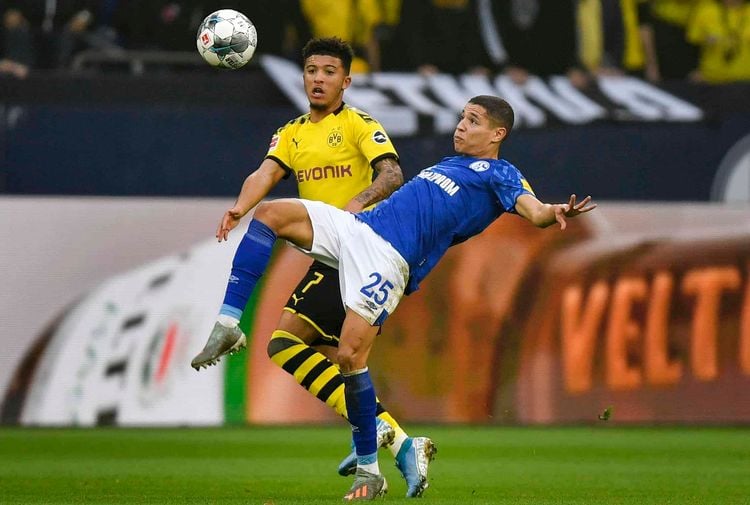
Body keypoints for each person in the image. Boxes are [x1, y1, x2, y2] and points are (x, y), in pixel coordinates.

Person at [196, 94, 596, 500]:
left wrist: (554, 211)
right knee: (269, 214)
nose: (460, 126)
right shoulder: (450, 163)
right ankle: (229, 324)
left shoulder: (501, 174)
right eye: (461, 117)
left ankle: (371, 470)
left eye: (473, 121)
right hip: (358, 229)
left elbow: (534, 210)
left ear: (497, 133)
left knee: (351, 357)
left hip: (388, 261)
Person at [190, 37, 436, 498]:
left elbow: (392, 174)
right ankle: (398, 440)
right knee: (296, 348)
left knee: (298, 345)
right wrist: (240, 208)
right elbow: (266, 172)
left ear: (346, 80)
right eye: (311, 70)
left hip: (363, 252)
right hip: (329, 257)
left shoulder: (361, 125)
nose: (318, 79)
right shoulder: (293, 132)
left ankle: (229, 322)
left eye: (328, 71)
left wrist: (358, 203)